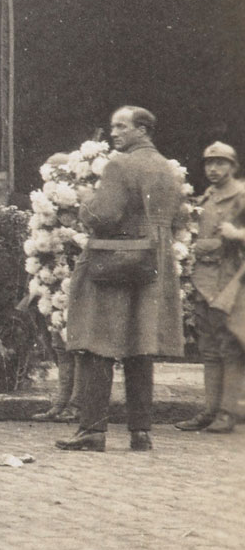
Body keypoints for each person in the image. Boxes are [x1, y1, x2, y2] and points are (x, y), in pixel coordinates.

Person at [57, 106, 187, 453]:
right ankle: (140, 431)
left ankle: (92, 431)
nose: (114, 133)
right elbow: (181, 214)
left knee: (98, 340)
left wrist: (85, 204)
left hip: (117, 258)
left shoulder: (119, 165)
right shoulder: (166, 167)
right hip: (154, 261)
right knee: (140, 345)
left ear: (143, 129)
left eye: (121, 126)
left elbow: (104, 214)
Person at [177, 142, 245, 434]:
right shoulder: (207, 196)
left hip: (229, 280)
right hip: (203, 280)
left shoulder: (240, 195)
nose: (213, 169)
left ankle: (227, 412)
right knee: (207, 348)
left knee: (229, 347)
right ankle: (209, 409)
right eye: (209, 163)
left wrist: (235, 234)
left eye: (220, 163)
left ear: (233, 166)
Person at [29, 151, 81, 422]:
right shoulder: (44, 208)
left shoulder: (77, 206)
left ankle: (77, 404)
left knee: (75, 344)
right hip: (54, 282)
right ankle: (61, 401)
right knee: (59, 344)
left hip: (75, 281)